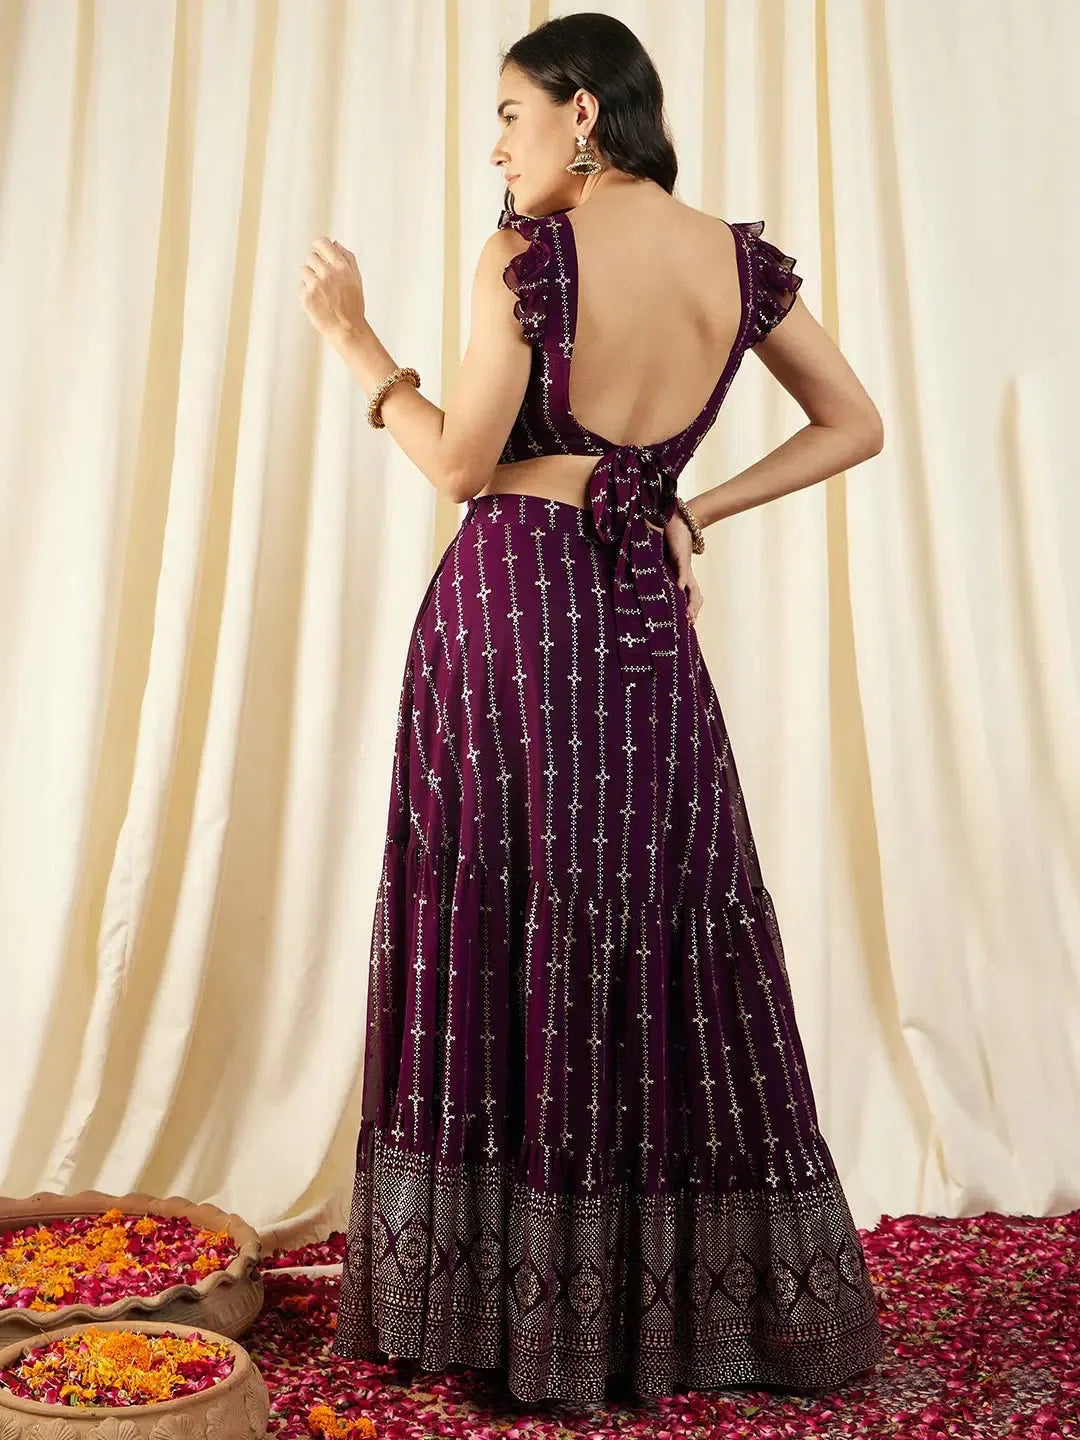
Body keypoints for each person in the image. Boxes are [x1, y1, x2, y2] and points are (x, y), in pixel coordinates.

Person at [302, 10, 886, 1413]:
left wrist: (360, 345)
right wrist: (692, 505)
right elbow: (855, 421)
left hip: (514, 610)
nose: (496, 150)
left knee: (505, 921)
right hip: (637, 622)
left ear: (582, 112)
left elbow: (459, 466)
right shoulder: (733, 263)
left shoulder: (532, 255)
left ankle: (503, 1304)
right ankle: (653, 1306)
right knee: (653, 915)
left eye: (509, 116)